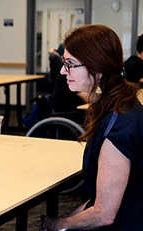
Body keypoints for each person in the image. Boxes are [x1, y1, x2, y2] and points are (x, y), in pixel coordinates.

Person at [36, 25, 143, 230]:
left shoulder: (118, 126)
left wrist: (59, 224)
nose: (62, 71)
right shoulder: (121, 105)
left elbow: (103, 214)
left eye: (70, 64)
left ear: (98, 67)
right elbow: (101, 199)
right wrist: (65, 220)